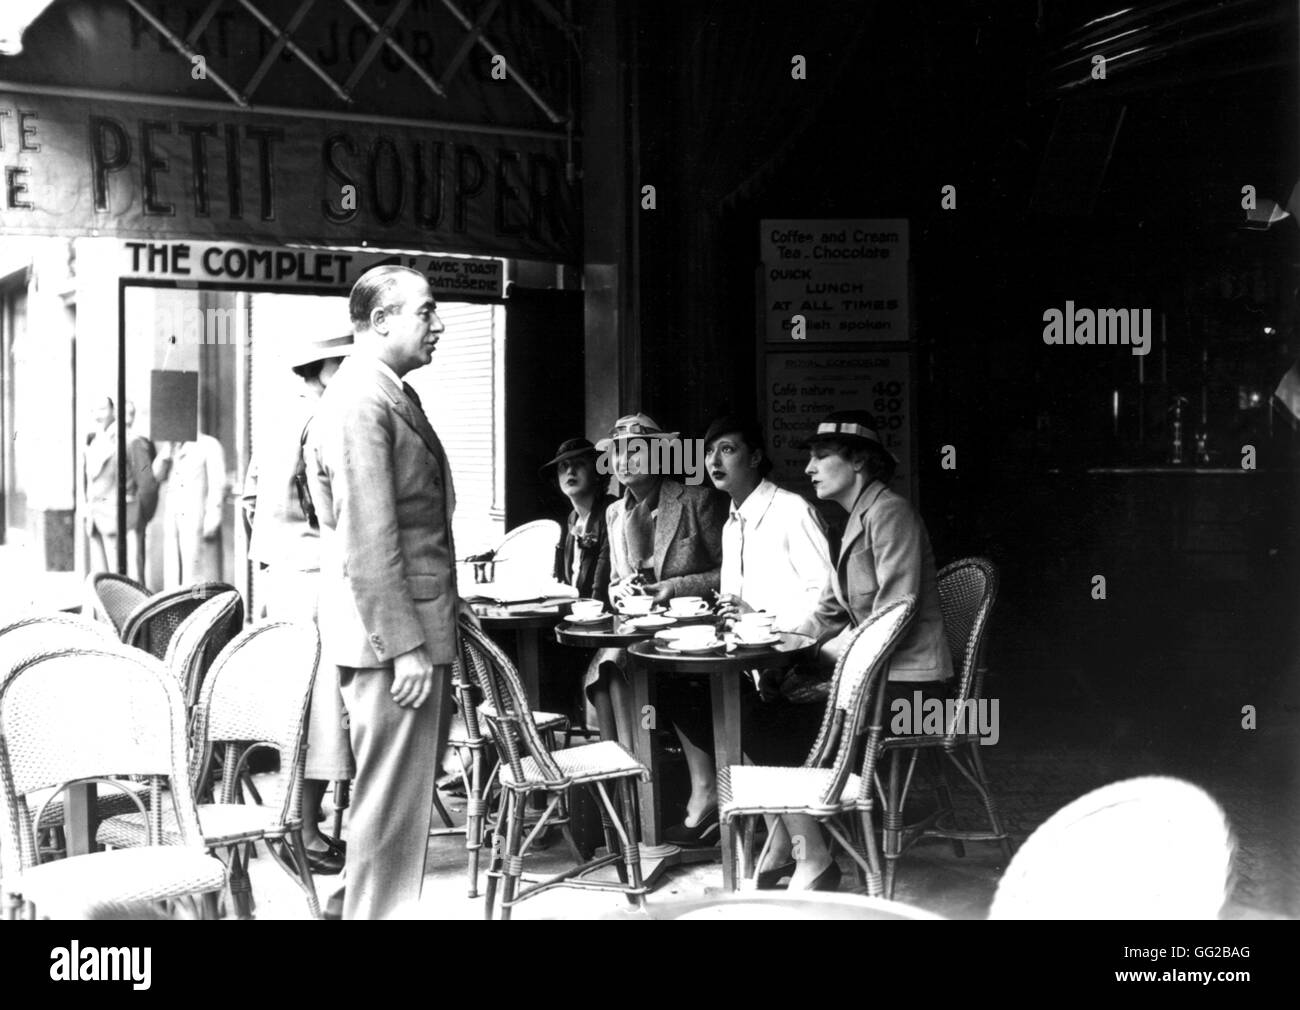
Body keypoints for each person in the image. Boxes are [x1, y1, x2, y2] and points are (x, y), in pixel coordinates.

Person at [307, 264, 468, 920]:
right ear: (381, 322)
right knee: (389, 818)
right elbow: (368, 540)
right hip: (392, 645)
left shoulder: (383, 394)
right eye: (426, 312)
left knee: (390, 818)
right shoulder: (361, 401)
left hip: (399, 635)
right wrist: (404, 646)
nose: (439, 324)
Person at [770, 409, 952, 891]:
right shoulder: (855, 520)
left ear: (859, 464)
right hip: (878, 676)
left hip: (911, 687)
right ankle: (798, 844)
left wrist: (834, 657)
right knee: (769, 696)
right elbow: (828, 611)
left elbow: (896, 613)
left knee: (775, 719)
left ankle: (811, 856)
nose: (808, 468)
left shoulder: (889, 513)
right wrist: (780, 645)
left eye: (821, 457)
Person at [664, 415, 834, 848]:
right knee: (675, 688)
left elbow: (826, 599)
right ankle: (762, 817)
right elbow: (734, 605)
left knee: (738, 714)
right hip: (752, 666)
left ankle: (788, 831)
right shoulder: (731, 522)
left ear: (756, 457)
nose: (714, 460)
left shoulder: (792, 511)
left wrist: (764, 623)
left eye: (727, 449)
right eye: (709, 452)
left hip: (797, 669)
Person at [240, 331, 356, 876]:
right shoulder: (323, 420)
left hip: (278, 576)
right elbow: (329, 510)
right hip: (314, 576)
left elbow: (249, 498)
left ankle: (297, 824)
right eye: (347, 361)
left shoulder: (277, 420)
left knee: (297, 708)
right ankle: (304, 832)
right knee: (320, 713)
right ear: (324, 367)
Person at [585, 413, 727, 759]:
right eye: (618, 453)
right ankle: (627, 761)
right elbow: (617, 581)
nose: (624, 461)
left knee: (618, 663)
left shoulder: (696, 500)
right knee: (608, 668)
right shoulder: (615, 513)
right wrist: (619, 591)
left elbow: (728, 574)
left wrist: (673, 588)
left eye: (637, 451)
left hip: (692, 632)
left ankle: (642, 763)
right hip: (638, 630)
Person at [83, 395, 157, 584]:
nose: (98, 416)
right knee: (103, 583)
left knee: (129, 583)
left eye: (103, 410)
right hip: (98, 521)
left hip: (125, 521)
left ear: (114, 411)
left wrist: (139, 517)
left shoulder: (131, 441)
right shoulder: (93, 442)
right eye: (94, 410)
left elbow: (147, 485)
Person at [543, 437, 618, 604]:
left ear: (597, 472)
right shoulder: (573, 518)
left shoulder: (612, 511)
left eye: (580, 464)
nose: (570, 471)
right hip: (579, 613)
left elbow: (602, 584)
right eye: (564, 466)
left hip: (604, 614)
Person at [154, 431, 227, 588]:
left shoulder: (208, 444)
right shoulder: (171, 447)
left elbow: (218, 483)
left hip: (196, 514)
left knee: (196, 569)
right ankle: (174, 605)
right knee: (174, 566)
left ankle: (197, 605)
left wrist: (213, 515)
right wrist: (166, 453)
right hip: (174, 515)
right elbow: (157, 475)